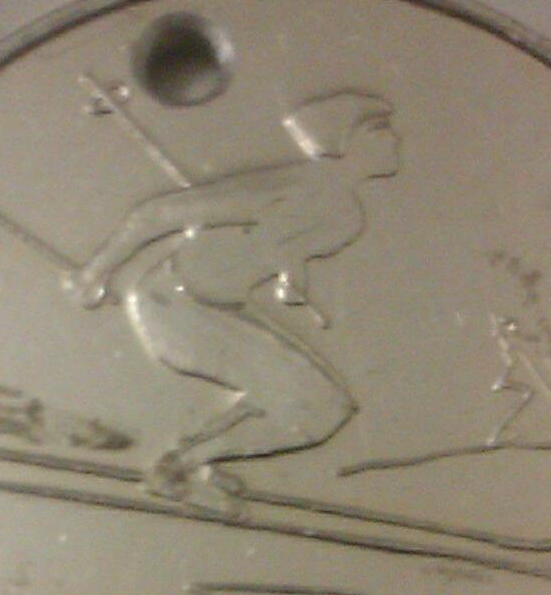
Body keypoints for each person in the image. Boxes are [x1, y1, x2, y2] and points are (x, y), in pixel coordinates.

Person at [64, 91, 400, 509]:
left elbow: (277, 248)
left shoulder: (347, 216)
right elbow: (157, 214)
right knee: (318, 407)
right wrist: (95, 272)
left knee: (311, 401)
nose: (394, 141)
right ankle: (177, 470)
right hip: (173, 306)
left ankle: (187, 461)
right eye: (378, 132)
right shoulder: (293, 187)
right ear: (342, 141)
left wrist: (290, 278)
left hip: (215, 310)